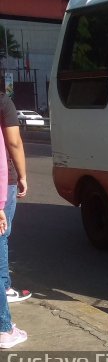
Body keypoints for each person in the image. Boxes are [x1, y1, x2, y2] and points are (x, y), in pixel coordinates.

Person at [0, 92, 30, 304]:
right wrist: (22, 176)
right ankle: (4, 288)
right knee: (1, 235)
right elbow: (14, 142)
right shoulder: (3, 101)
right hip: (4, 180)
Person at [0, 116, 27, 349]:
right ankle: (4, 329)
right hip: (3, 187)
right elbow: (12, 144)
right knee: (1, 241)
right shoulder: (3, 102)